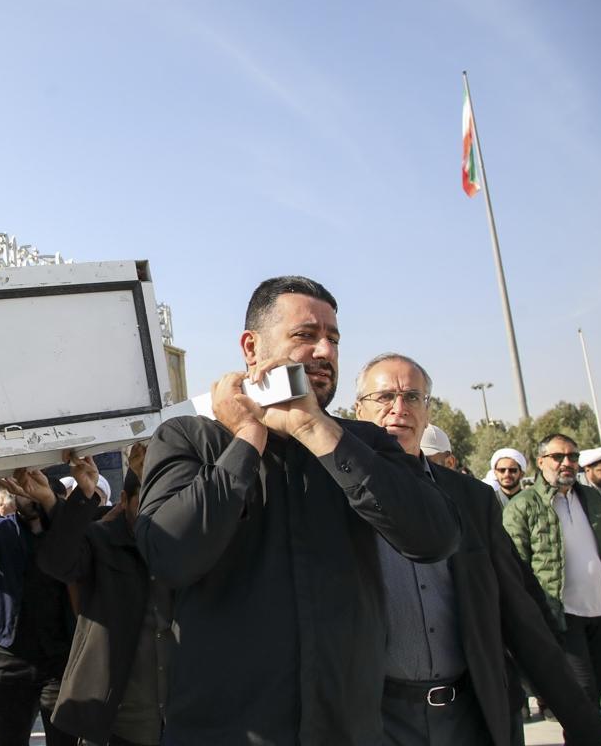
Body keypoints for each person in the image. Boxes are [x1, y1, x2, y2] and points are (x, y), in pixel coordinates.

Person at [134, 276, 460, 745]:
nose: (325, 351)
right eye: (306, 335)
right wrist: (247, 439)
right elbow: (170, 553)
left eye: (333, 339)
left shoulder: (364, 444)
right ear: (252, 347)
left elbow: (435, 537)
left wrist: (314, 428)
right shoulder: (191, 438)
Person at [354, 354, 601, 746]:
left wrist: (589, 729)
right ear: (358, 410)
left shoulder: (471, 500)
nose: (399, 408)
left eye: (412, 397)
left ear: (427, 411)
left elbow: (520, 617)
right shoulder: (335, 497)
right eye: (384, 396)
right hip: (375, 720)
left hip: (469, 715)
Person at [503, 433, 601, 709]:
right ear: (541, 461)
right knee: (582, 690)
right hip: (560, 616)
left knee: (597, 686)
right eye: (557, 456)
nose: (566, 462)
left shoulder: (593, 500)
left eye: (573, 456)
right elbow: (514, 567)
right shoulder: (523, 506)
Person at [36, 452, 169, 746]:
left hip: (180, 719)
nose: (153, 513)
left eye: (162, 502)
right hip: (120, 723)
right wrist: (84, 495)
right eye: (143, 503)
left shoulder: (184, 544)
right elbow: (57, 562)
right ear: (124, 499)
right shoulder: (102, 540)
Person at [0, 469, 77, 746]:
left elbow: (78, 528)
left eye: (37, 490)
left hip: (59, 658)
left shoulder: (64, 534)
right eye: (23, 490)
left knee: (65, 738)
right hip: (10, 657)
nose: (28, 495)